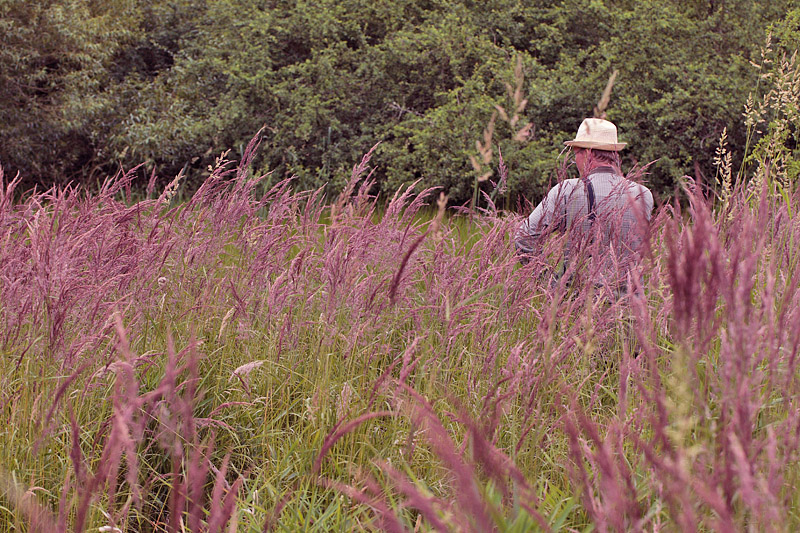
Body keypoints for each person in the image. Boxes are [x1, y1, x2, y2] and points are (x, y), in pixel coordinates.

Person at [515, 118, 654, 298]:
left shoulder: (567, 190)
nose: (575, 159)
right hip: (629, 309)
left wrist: (550, 282)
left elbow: (524, 238)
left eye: (576, 152)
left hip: (578, 306)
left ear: (588, 154)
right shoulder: (644, 194)